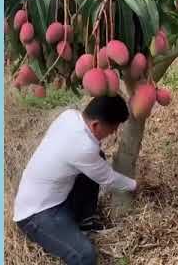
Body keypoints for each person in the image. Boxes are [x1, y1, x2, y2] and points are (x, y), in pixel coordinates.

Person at [13, 95, 137, 265]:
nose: (113, 133)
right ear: (95, 125)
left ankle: (85, 221)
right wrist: (135, 185)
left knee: (97, 158)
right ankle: (73, 226)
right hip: (37, 214)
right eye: (112, 128)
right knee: (84, 256)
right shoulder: (84, 147)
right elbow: (108, 179)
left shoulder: (69, 116)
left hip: (57, 197)